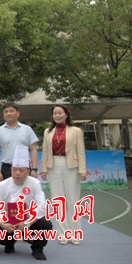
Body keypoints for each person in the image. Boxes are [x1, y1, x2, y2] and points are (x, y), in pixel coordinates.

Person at [0, 146, 53, 260]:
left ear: (28, 172)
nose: (17, 173)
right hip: (8, 221)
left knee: (46, 224)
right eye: (14, 170)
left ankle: (37, 248)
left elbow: (42, 206)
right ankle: (9, 242)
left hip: (28, 221)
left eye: (21, 170)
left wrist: (27, 223)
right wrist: (3, 224)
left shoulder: (34, 183)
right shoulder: (3, 185)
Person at [41, 104, 86, 245]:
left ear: (66, 114)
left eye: (60, 113)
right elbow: (45, 151)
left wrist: (82, 170)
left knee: (73, 201)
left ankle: (75, 233)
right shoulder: (48, 132)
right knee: (58, 201)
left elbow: (80, 151)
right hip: (54, 165)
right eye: (55, 113)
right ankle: (63, 233)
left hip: (71, 166)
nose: (57, 115)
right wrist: (44, 169)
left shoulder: (76, 131)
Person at [0, 103, 39, 182]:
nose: (8, 114)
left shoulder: (27, 129)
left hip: (24, 168)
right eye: (6, 112)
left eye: (11, 111)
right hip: (7, 168)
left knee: (26, 189)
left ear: (18, 113)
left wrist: (34, 169)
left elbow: (33, 149)